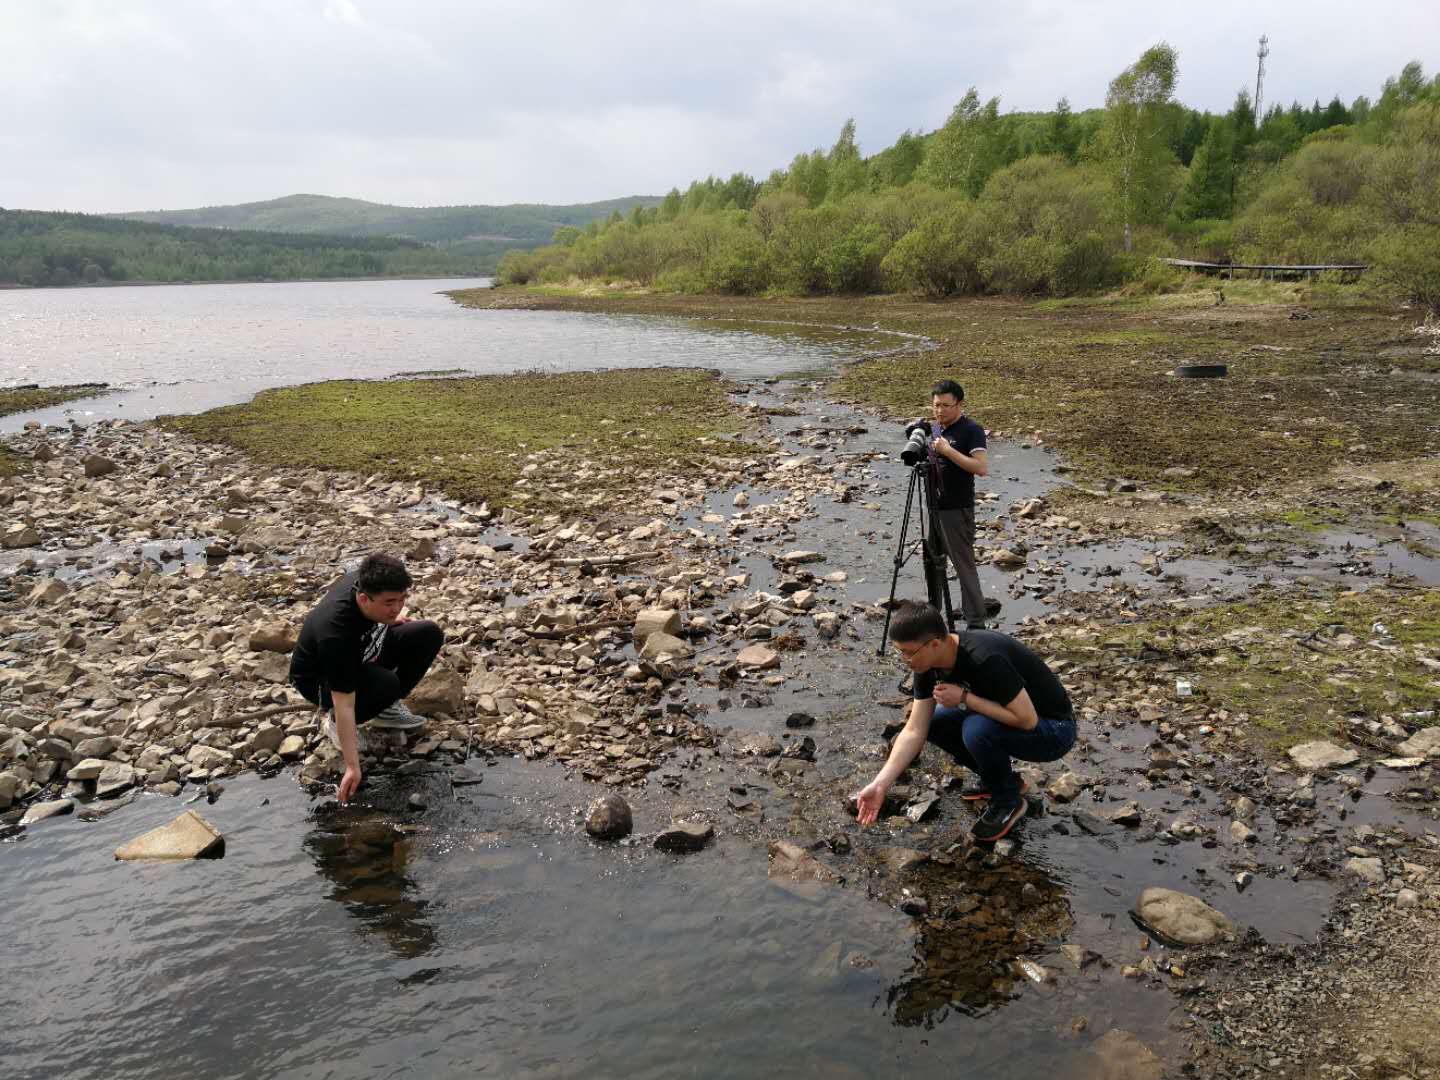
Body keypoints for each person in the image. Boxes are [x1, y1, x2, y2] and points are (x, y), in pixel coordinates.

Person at [854, 600, 1077, 842]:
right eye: (900, 652)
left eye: (908, 652)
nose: (904, 659)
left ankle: (1008, 800)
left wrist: (964, 698)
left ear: (934, 644)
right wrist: (880, 785)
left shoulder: (984, 658)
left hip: (1054, 730)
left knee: (976, 729)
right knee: (936, 721)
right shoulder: (927, 664)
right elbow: (915, 729)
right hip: (1013, 718)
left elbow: (1027, 720)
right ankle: (1004, 780)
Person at [289, 552, 443, 803]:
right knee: (386, 684)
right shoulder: (336, 633)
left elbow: (384, 613)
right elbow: (345, 703)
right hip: (320, 680)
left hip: (364, 650)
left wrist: (390, 618)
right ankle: (334, 724)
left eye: (402, 599)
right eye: (389, 602)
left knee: (428, 633)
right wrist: (352, 766)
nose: (397, 607)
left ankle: (385, 708)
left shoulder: (366, 582)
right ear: (363, 598)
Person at [926, 379, 991, 629]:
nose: (940, 411)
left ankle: (976, 622)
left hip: (956, 508)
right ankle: (934, 613)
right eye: (936, 405)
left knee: (963, 566)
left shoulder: (971, 430)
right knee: (933, 562)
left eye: (946, 405)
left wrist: (948, 451)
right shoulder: (936, 429)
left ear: (959, 404)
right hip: (934, 506)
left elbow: (981, 468)